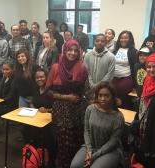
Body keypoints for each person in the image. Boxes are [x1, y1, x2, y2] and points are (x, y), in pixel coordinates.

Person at [45, 39, 94, 168]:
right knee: (65, 145)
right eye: (70, 50)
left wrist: (97, 106)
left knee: (78, 142)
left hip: (78, 112)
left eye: (75, 50)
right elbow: (48, 92)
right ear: (64, 50)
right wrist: (67, 97)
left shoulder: (82, 68)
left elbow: (88, 91)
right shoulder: (56, 68)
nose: (72, 53)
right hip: (62, 112)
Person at [70, 81, 125, 168]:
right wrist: (89, 150)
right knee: (74, 166)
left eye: (107, 96)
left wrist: (94, 156)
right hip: (91, 146)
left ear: (112, 97)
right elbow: (86, 131)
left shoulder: (118, 117)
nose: (103, 99)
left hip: (110, 150)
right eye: (100, 95)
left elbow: (112, 142)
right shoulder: (90, 109)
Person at [21, 68, 57, 168]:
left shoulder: (51, 90)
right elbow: (31, 102)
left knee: (49, 135)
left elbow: (58, 107)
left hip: (50, 120)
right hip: (37, 118)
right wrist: (34, 109)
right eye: (37, 77)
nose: (39, 79)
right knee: (24, 129)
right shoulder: (34, 88)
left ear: (46, 77)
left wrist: (47, 110)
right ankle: (35, 153)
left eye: (41, 77)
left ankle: (51, 160)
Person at [112, 30, 137, 109]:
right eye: (121, 38)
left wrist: (134, 86)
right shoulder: (115, 50)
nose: (123, 40)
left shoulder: (133, 51)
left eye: (126, 38)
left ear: (130, 39)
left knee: (124, 100)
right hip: (114, 78)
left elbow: (135, 69)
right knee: (112, 98)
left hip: (126, 78)